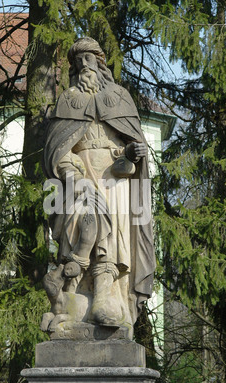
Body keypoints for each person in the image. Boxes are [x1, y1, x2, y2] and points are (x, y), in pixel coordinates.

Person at [43, 37, 156, 332]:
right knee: (83, 223)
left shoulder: (119, 97)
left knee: (116, 232)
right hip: (78, 178)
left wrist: (134, 153)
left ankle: (106, 295)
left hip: (114, 177)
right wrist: (73, 177)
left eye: (89, 60)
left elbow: (129, 146)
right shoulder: (68, 100)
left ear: (100, 62)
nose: (84, 67)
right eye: (78, 62)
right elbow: (58, 151)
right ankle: (76, 295)